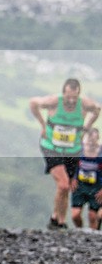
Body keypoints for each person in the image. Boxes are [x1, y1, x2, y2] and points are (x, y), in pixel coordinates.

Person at [29, 78, 100, 230]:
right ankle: (59, 221)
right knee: (63, 184)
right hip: (52, 148)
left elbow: (97, 110)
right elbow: (33, 103)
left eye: (75, 97)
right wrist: (42, 125)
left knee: (66, 186)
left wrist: (86, 128)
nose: (71, 100)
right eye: (68, 97)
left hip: (72, 150)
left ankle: (56, 219)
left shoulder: (84, 104)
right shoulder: (54, 101)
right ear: (63, 93)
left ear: (78, 94)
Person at [71, 128, 102, 229]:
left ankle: (93, 236)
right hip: (80, 186)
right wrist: (73, 178)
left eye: (94, 140)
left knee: (92, 216)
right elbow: (72, 164)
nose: (91, 143)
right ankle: (81, 232)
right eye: (89, 140)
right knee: (75, 215)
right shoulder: (80, 150)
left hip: (96, 188)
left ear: (97, 139)